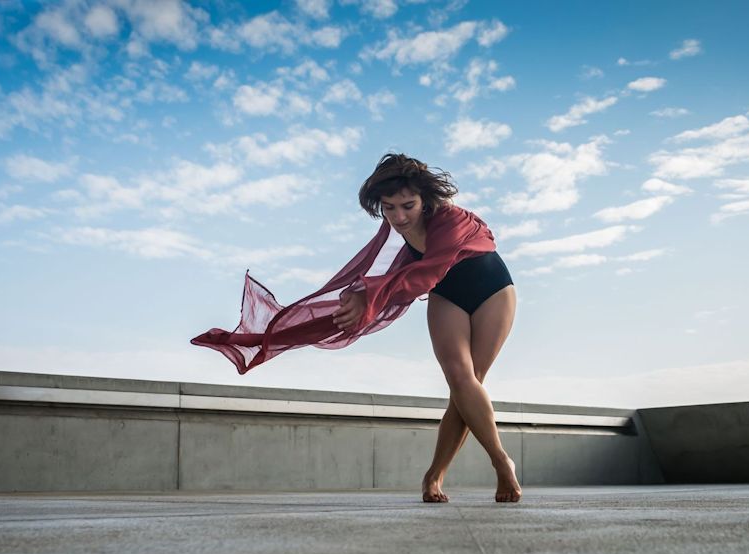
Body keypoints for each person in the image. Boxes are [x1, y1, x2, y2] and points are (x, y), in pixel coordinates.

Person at [192, 153, 521, 503]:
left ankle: (496, 464)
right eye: (389, 208)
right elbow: (374, 268)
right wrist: (354, 298)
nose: (399, 217)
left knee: (470, 383)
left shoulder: (450, 220)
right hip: (447, 296)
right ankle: (437, 475)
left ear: (425, 199)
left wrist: (369, 294)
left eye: (407, 206)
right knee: (459, 380)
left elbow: (428, 272)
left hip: (492, 291)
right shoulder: (397, 226)